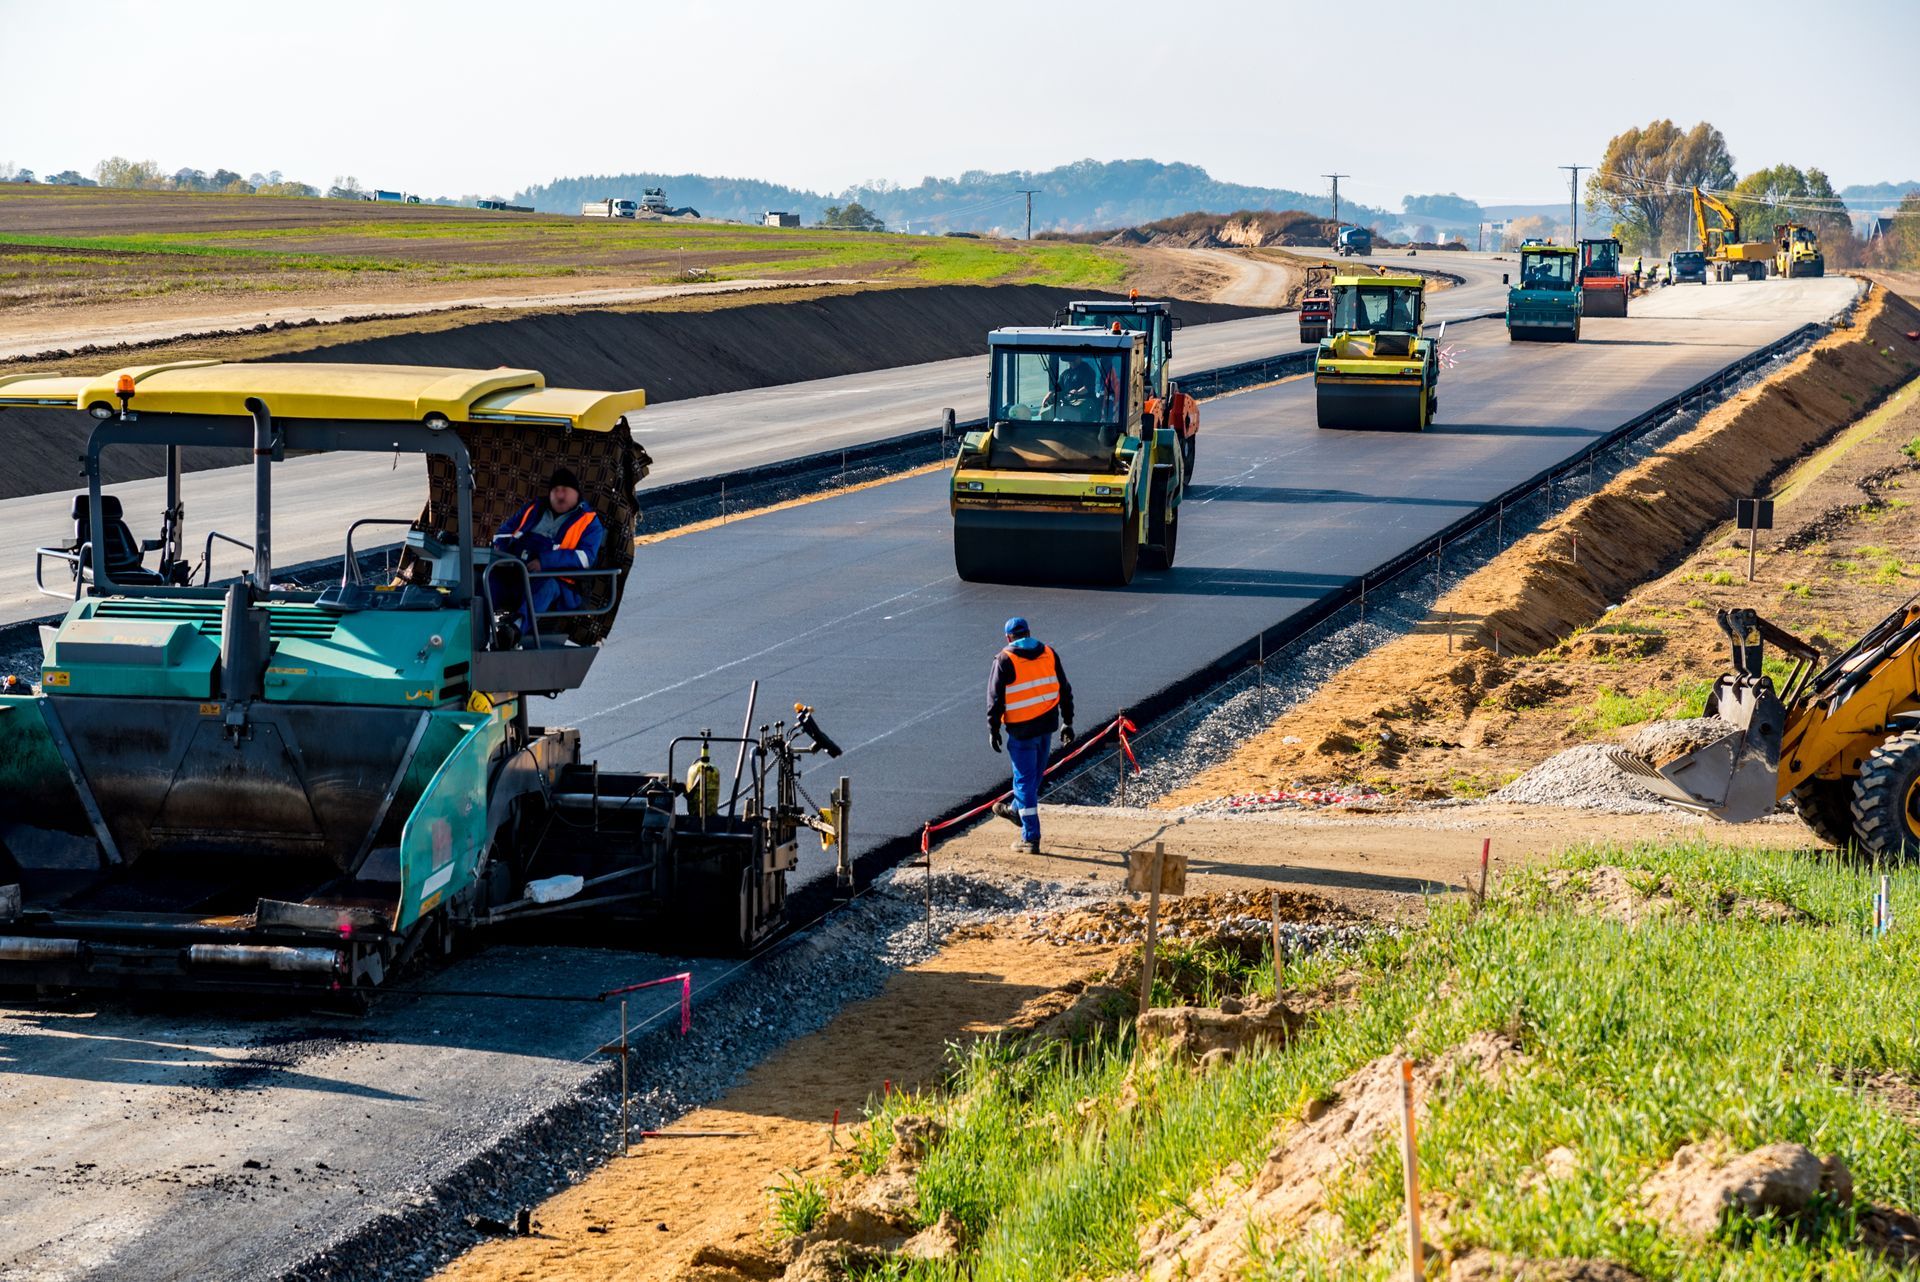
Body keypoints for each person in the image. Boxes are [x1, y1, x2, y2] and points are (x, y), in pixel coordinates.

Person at [988, 616, 1075, 854]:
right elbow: (1064, 690)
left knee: (1025, 782)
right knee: (1034, 777)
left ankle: (1030, 837)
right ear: (1028, 632)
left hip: (1022, 732)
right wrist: (1067, 721)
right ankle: (1016, 810)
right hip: (1046, 727)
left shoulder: (1004, 659)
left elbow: (994, 700)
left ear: (1008, 638)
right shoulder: (1049, 653)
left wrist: (993, 728)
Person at [490, 466, 604, 640]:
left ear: (576, 494)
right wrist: (504, 553)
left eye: (564, 490)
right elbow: (502, 533)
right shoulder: (533, 509)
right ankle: (472, 633)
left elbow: (586, 558)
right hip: (516, 573)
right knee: (488, 581)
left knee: (545, 586)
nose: (559, 495)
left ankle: (514, 630)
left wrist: (544, 562)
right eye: (556, 490)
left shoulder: (589, 522)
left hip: (559, 583)